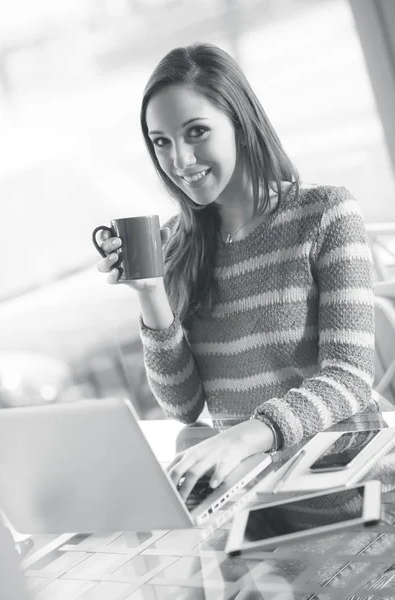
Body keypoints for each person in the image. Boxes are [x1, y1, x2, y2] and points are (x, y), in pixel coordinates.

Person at [96, 42, 379, 502]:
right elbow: (183, 407)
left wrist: (244, 434)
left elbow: (350, 379)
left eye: (197, 132)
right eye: (162, 142)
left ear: (241, 125)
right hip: (248, 503)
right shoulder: (176, 244)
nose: (180, 161)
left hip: (347, 494)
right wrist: (150, 292)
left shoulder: (325, 212)